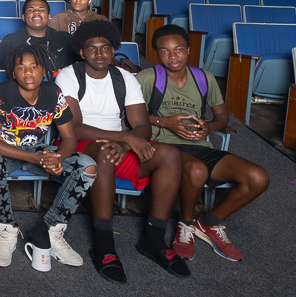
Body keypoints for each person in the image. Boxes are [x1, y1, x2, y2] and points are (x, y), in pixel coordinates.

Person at [55, 20, 188, 283]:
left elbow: (141, 125)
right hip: (80, 144)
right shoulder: (69, 75)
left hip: (118, 145)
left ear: (113, 50)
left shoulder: (126, 78)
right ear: (82, 52)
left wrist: (126, 143)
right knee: (104, 152)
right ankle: (104, 244)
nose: (100, 53)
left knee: (170, 155)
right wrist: (123, 138)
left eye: (105, 47)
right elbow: (75, 128)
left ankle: (154, 239)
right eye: (92, 49)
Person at [139, 24, 268, 262]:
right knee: (196, 170)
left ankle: (208, 222)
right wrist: (164, 122)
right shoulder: (148, 78)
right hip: (163, 148)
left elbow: (222, 117)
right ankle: (185, 224)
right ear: (157, 53)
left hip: (200, 147)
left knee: (257, 177)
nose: (173, 56)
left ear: (188, 49)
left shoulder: (203, 78)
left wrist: (210, 127)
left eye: (178, 49)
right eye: (165, 51)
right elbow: (130, 116)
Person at [0, 45, 97, 268]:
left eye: (34, 67)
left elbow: (69, 138)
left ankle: (52, 230)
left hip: (40, 151)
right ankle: (6, 229)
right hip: (6, 150)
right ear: (13, 73)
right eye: (21, 68)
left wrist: (58, 158)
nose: (28, 73)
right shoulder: (3, 90)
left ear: (44, 70)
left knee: (88, 166)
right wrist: (38, 160)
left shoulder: (53, 93)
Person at [0, 0, 76, 76]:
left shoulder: (65, 38)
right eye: (31, 10)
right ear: (23, 17)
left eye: (42, 10)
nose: (36, 12)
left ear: (49, 16)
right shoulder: (11, 41)